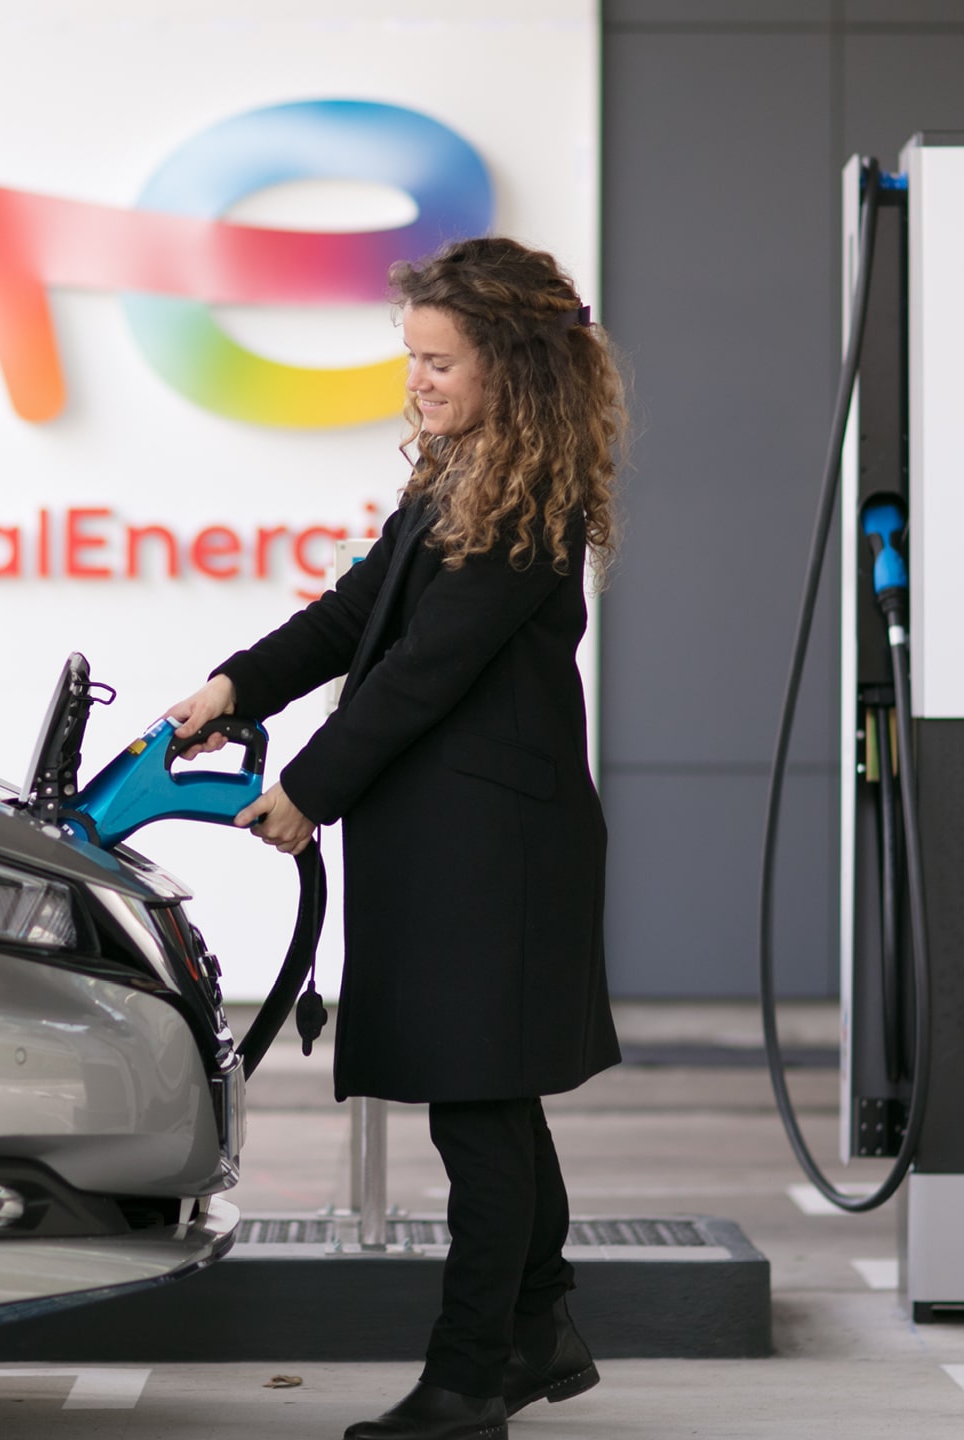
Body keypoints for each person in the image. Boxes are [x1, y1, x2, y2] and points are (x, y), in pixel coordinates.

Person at [165, 236, 623, 1440]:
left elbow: (426, 670)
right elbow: (360, 611)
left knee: (477, 1109)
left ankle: (471, 1377)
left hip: (499, 853)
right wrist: (233, 687)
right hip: (453, 838)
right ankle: (540, 1326)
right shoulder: (463, 476)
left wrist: (307, 788)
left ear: (512, 369)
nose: (415, 381)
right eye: (411, 358)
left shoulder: (531, 506)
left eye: (438, 361)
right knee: (490, 1100)